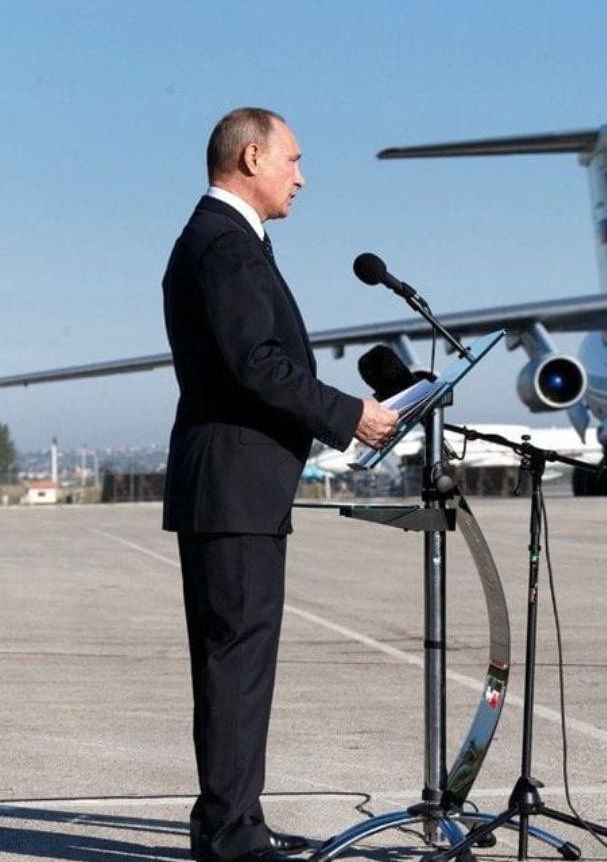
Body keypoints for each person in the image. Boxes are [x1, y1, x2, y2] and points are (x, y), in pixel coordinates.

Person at [163, 108, 399, 862]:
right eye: (293, 160)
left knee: (237, 662)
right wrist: (348, 416)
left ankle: (233, 823)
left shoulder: (224, 240)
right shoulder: (225, 246)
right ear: (252, 157)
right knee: (236, 662)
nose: (302, 176)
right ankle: (231, 838)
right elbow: (253, 364)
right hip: (231, 488)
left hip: (237, 488)